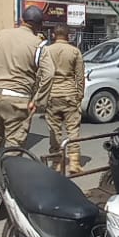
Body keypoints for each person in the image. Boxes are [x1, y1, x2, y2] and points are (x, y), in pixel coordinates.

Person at [0, 5, 47, 195]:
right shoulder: (38, 44)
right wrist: (37, 100)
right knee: (14, 144)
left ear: (22, 20)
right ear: (38, 26)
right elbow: (49, 73)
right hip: (18, 100)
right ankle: (7, 183)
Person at [41, 24, 85, 174]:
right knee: (73, 129)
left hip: (52, 95)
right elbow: (80, 76)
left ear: (53, 35)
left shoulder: (46, 51)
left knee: (54, 130)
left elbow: (41, 75)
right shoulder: (75, 52)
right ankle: (74, 163)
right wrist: (80, 95)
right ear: (68, 36)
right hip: (69, 94)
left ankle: (57, 162)